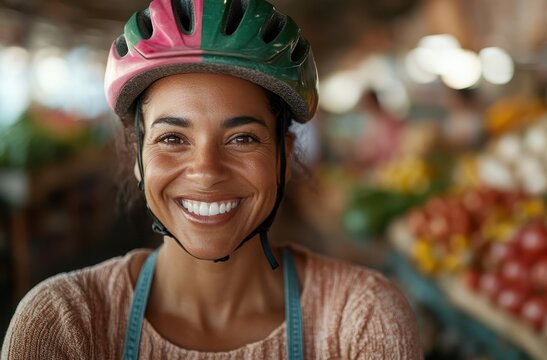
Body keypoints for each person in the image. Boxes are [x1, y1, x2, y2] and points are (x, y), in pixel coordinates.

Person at [1, 0, 421, 358]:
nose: (206, 171)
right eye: (171, 138)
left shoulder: (361, 320)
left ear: (286, 156)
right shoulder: (64, 324)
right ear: (138, 159)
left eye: (242, 138)